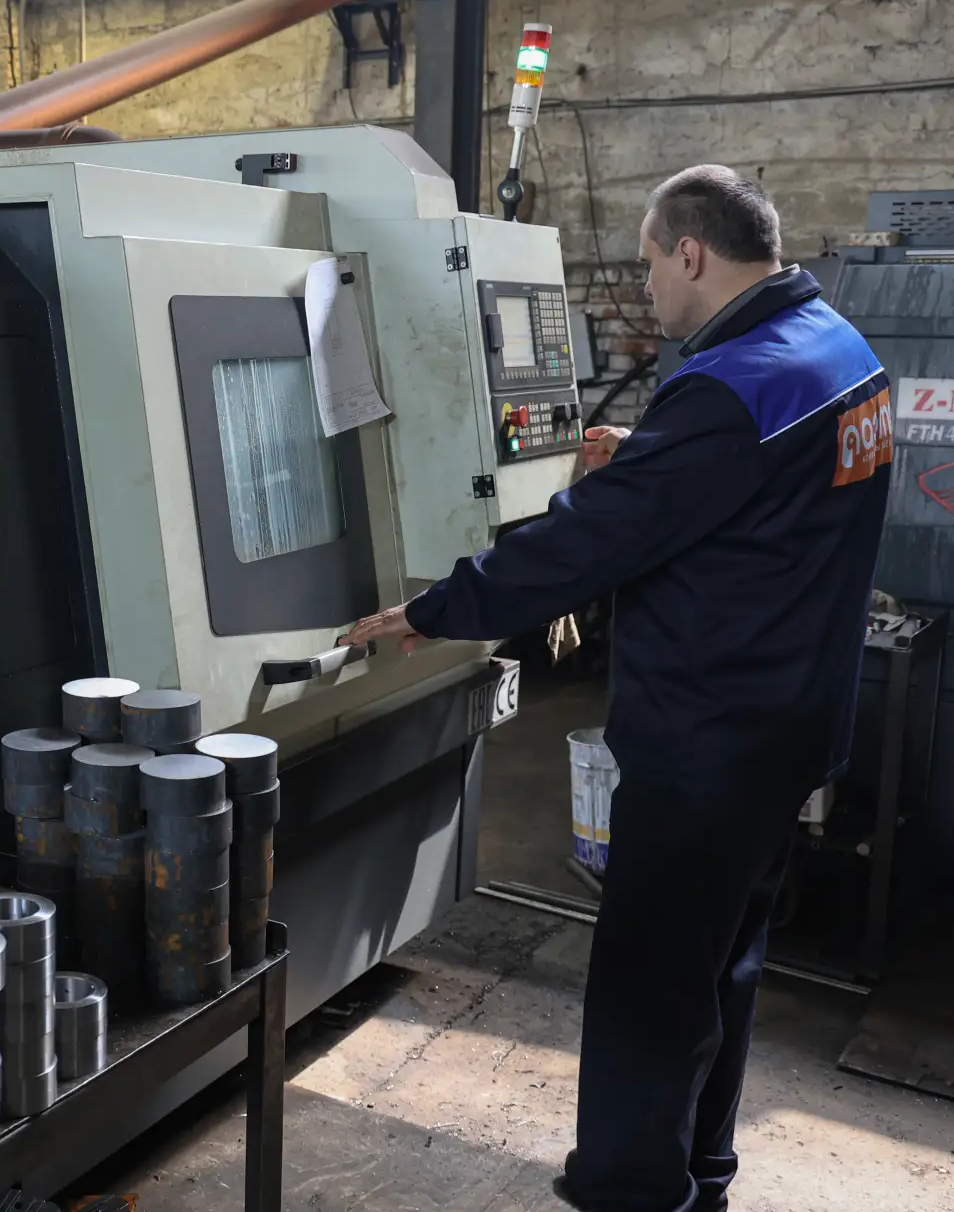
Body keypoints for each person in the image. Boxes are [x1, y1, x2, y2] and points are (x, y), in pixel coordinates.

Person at [345, 165, 894, 1212]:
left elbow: (581, 546)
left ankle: (631, 1190)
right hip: (791, 727)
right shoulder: (835, 348)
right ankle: (701, 1173)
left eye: (648, 264)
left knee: (651, 983)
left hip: (706, 744)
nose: (645, 287)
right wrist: (658, 456)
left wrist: (435, 609)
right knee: (722, 965)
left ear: (691, 252)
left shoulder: (726, 392)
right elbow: (778, 486)